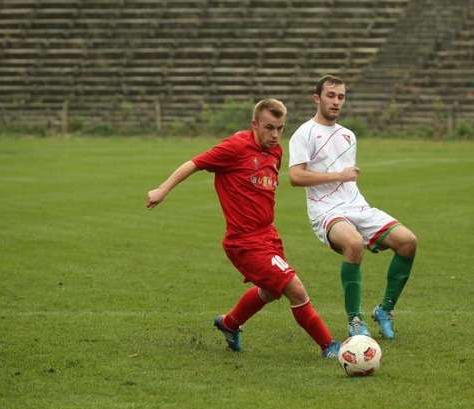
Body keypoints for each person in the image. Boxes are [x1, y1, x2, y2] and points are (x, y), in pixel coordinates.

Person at [146, 98, 340, 359]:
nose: (275, 135)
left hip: (268, 235)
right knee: (295, 288)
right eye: (269, 128)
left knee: (270, 291)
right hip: (245, 241)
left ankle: (229, 324)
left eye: (280, 128)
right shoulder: (235, 147)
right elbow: (194, 163)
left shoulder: (275, 151)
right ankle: (329, 346)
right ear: (254, 125)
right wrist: (162, 189)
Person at [288, 75, 417, 339]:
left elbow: (347, 179)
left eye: (341, 97)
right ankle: (355, 320)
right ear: (317, 98)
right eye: (331, 96)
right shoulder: (304, 133)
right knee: (354, 244)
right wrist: (339, 175)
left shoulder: (348, 135)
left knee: (408, 242)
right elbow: (295, 177)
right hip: (325, 211)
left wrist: (345, 178)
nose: (336, 101)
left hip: (357, 206)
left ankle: (385, 310)